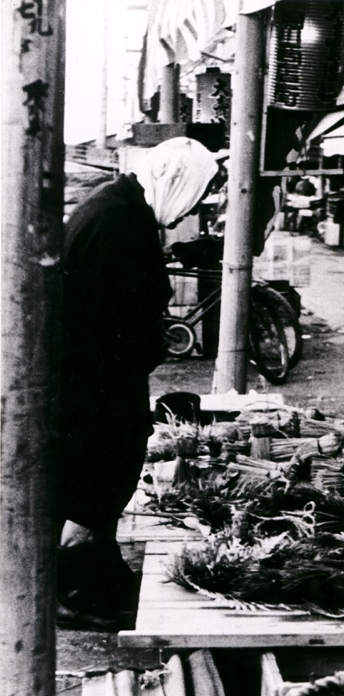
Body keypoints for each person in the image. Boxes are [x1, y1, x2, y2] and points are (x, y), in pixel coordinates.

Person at [58, 137, 218, 631]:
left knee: (104, 478)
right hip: (93, 384)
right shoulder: (117, 222)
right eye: (196, 192)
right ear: (175, 181)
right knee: (93, 483)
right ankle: (71, 592)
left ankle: (98, 575)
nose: (194, 206)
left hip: (97, 377)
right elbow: (117, 319)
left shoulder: (123, 209)